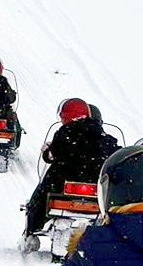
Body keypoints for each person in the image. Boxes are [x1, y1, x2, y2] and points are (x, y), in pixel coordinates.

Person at [21, 98, 112, 238]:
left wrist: (47, 151)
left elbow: (52, 154)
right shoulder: (103, 136)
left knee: (40, 195)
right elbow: (115, 154)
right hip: (96, 184)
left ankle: (32, 230)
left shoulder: (65, 133)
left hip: (65, 181)